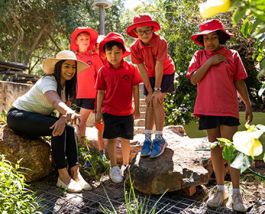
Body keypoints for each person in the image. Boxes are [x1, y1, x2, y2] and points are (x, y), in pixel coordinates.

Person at [187, 19, 253, 212]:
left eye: (213, 37)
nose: (210, 42)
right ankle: (221, 190)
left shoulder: (232, 55)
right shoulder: (199, 56)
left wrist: (248, 105)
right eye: (206, 38)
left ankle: (237, 194)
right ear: (202, 41)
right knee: (215, 150)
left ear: (220, 38)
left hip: (228, 109)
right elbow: (193, 79)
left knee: (231, 151)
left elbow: (240, 83)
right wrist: (209, 62)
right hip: (207, 109)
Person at [7, 50, 92, 193]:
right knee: (57, 128)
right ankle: (63, 176)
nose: (70, 70)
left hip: (37, 118)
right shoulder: (48, 81)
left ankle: (75, 173)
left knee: (68, 129)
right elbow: (55, 100)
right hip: (18, 115)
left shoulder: (68, 86)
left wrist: (63, 118)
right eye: (66, 66)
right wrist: (68, 113)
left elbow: (64, 110)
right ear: (58, 67)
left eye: (73, 67)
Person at [126, 13, 175, 158]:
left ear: (153, 29)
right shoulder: (134, 48)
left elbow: (160, 66)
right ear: (136, 33)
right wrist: (148, 91)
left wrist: (157, 90)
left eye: (147, 30)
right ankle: (147, 139)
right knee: (149, 103)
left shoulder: (161, 42)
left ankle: (159, 138)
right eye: (140, 31)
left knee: (157, 101)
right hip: (150, 75)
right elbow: (141, 70)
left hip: (165, 72)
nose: (144, 34)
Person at [95, 32, 141, 183]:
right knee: (112, 139)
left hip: (127, 111)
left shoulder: (131, 68)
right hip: (110, 111)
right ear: (105, 54)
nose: (113, 56)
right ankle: (114, 166)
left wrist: (137, 107)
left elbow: (135, 88)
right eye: (109, 53)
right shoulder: (103, 71)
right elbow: (100, 92)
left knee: (126, 139)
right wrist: (98, 112)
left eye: (117, 52)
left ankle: (126, 165)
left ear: (123, 53)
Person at [70, 27, 105, 158]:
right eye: (81, 39)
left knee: (81, 122)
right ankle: (76, 149)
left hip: (89, 95)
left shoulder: (94, 57)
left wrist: (99, 98)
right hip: (73, 95)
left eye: (87, 39)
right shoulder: (72, 57)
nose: (84, 41)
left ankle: (82, 151)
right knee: (73, 123)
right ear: (76, 42)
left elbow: (102, 77)